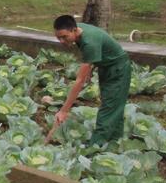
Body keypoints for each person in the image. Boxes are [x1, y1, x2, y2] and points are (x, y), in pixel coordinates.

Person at [50, 14, 131, 147]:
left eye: (64, 37)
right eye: (58, 38)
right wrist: (90, 69)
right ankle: (115, 141)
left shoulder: (89, 43)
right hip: (106, 66)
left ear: (74, 30)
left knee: (109, 107)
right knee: (114, 105)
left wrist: (64, 110)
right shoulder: (79, 30)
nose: (62, 41)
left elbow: (79, 81)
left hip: (118, 70)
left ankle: (95, 147)